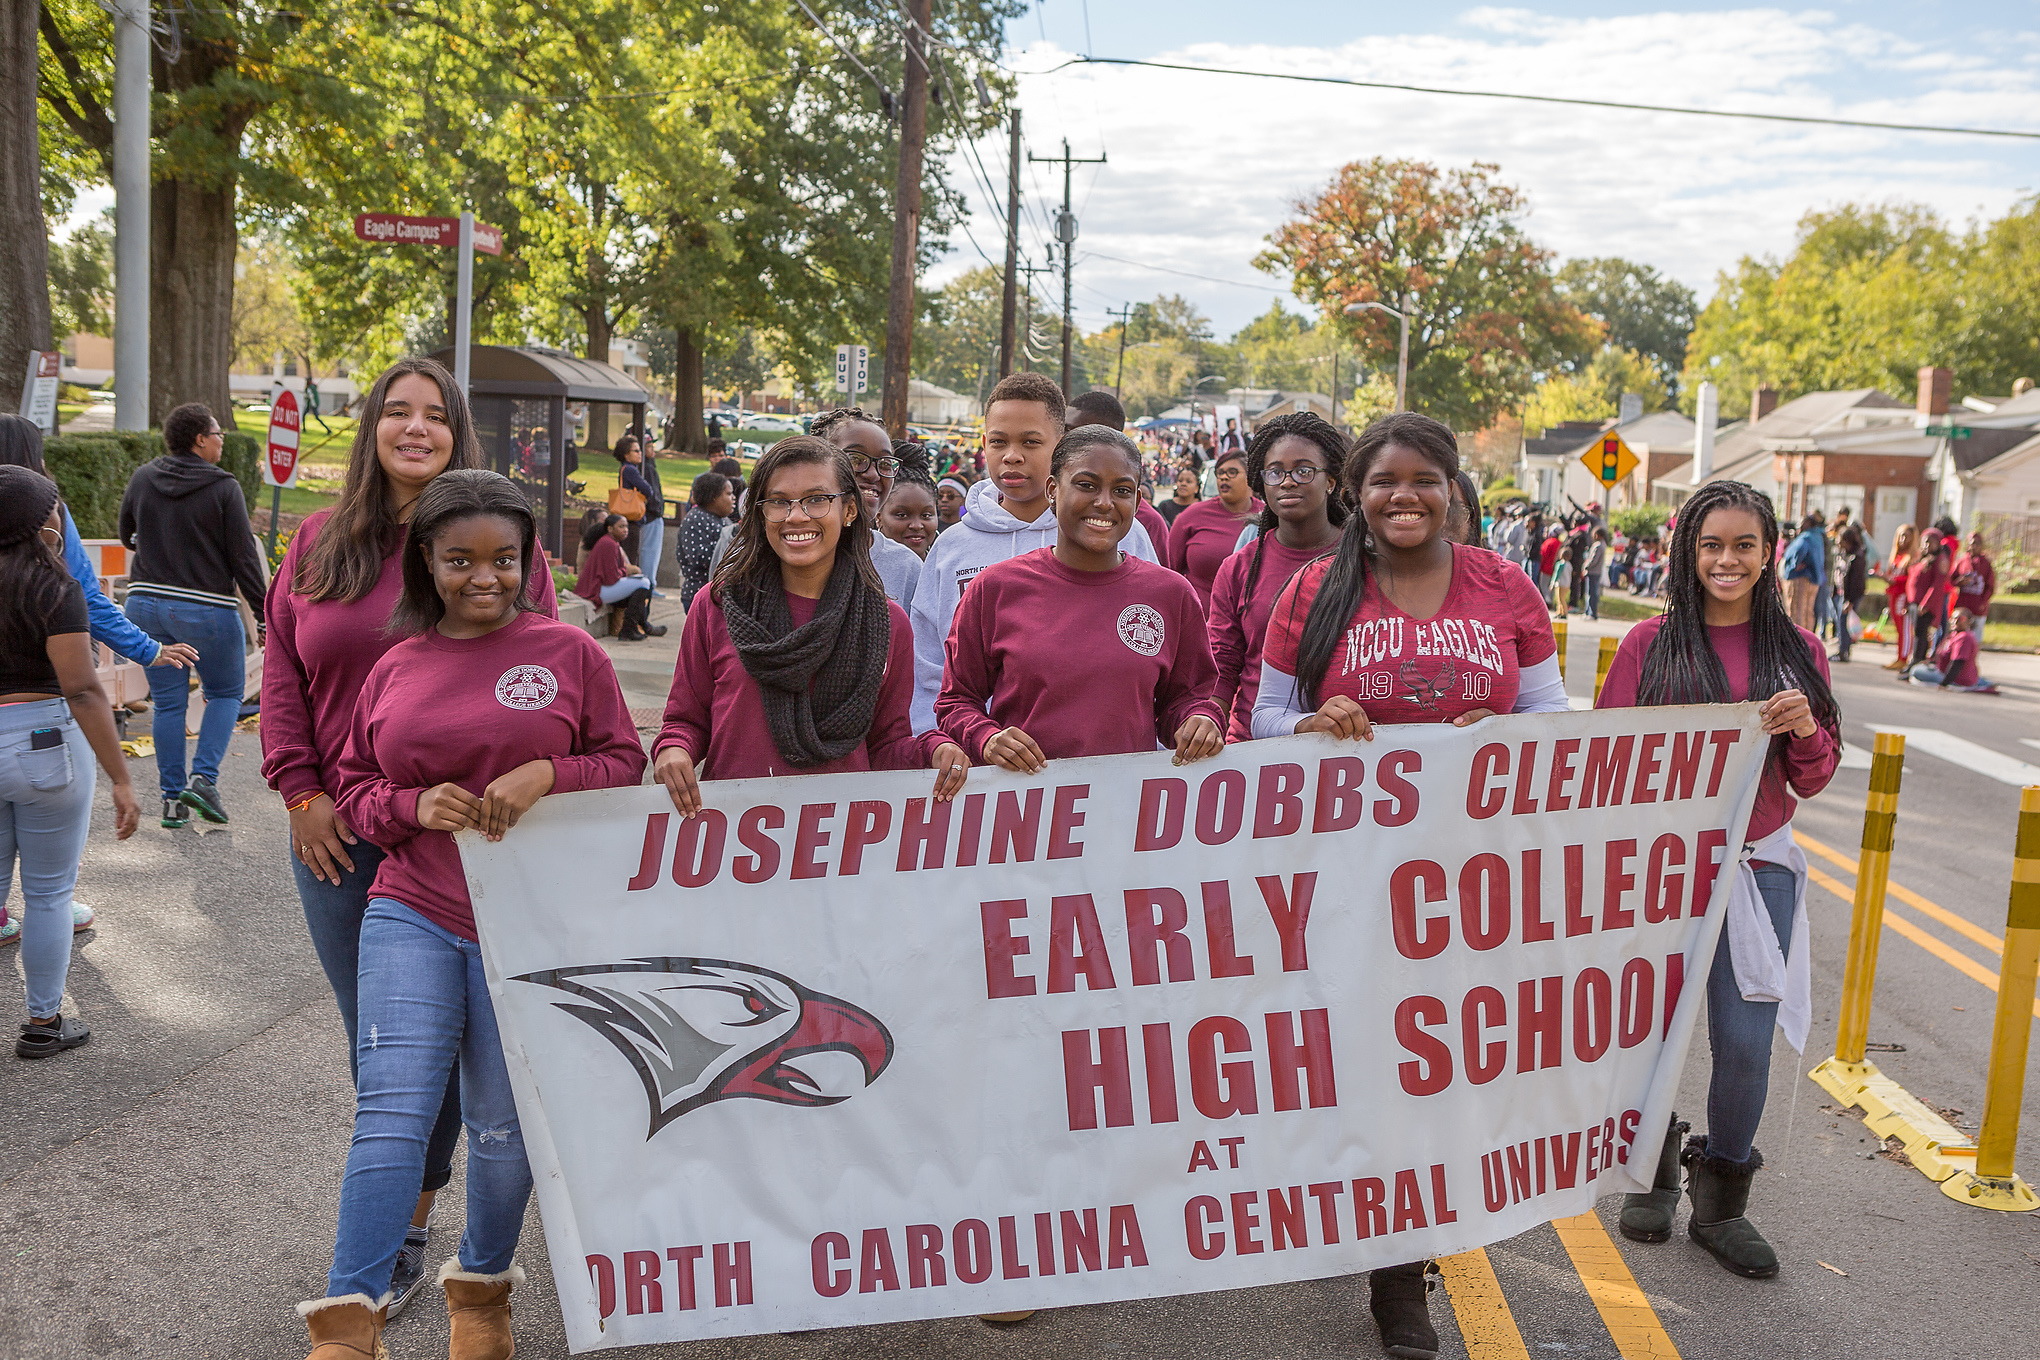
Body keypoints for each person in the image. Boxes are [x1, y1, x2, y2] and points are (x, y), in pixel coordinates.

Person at [300, 470, 645, 1359]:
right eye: (459, 560)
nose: (482, 577)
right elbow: (356, 786)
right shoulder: (395, 663)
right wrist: (410, 808)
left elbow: (621, 762)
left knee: (503, 1123)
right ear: (427, 560)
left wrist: (548, 775)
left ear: (528, 559)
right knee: (393, 1110)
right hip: (411, 908)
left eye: (502, 558)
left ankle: (481, 1295)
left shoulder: (571, 653)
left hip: (534, 924)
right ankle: (348, 1316)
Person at [1250, 411, 1567, 1360]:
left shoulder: (1506, 586)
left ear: (1452, 487)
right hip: (1348, 870)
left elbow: (1552, 711)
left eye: (1424, 479)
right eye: (1385, 481)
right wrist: (1311, 725)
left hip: (1469, 873)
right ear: (1359, 491)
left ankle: (1404, 1265)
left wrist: (1507, 737)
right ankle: (1373, 1241)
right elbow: (1262, 715)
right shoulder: (1313, 591)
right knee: (1361, 1062)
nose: (1404, 497)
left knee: (1438, 1066)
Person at [262, 357, 562, 1314]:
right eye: (398, 411)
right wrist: (300, 790)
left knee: (463, 1062)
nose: (416, 428)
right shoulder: (317, 545)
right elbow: (282, 675)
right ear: (372, 428)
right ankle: (398, 1223)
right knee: (388, 1051)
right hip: (344, 831)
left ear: (458, 433)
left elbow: (547, 674)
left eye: (436, 415)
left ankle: (406, 1233)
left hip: (469, 839)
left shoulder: (495, 540)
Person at [1596, 479, 1839, 1280]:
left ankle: (1722, 1198)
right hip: (1661, 870)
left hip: (1757, 866)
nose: (1727, 560)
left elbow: (1815, 777)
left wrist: (1803, 727)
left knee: (1743, 1045)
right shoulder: (1649, 646)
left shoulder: (1799, 651)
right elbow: (1602, 759)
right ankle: (1654, 1171)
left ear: (1770, 552)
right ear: (1687, 552)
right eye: (1712, 545)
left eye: (1743, 545)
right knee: (1651, 1035)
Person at [652, 436, 967, 806]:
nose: (796, 516)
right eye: (779, 502)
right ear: (759, 512)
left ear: (849, 510)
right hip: (733, 840)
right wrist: (674, 751)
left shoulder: (888, 623)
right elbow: (685, 722)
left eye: (817, 499)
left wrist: (934, 748)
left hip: (841, 841)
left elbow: (886, 745)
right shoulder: (718, 605)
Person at [0, 416, 197, 945]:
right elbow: (85, 601)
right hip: (45, 712)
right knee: (48, 876)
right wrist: (148, 649)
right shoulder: (49, 517)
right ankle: (45, 997)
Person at [936, 424, 1224, 770]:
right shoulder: (995, 588)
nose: (1104, 503)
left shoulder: (1170, 594)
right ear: (1053, 489)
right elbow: (956, 700)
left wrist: (1199, 722)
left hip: (1127, 808)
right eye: (1086, 485)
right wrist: (985, 737)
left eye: (1121, 490)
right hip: (1022, 806)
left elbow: (1187, 700)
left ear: (1137, 500)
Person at [909, 372, 1159, 732]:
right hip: (979, 763)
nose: (1012, 457)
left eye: (1030, 442)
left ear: (1062, 445)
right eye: (998, 442)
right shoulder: (952, 546)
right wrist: (936, 740)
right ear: (984, 444)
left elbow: (1152, 643)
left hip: (1101, 753)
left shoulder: (1118, 533)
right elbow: (929, 664)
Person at [0, 466, 139, 1057]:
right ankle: (42, 1023)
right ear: (42, 521)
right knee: (50, 893)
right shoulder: (55, 589)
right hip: (45, 745)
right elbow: (82, 690)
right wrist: (122, 778)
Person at [118, 402, 267, 829]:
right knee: (223, 693)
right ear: (200, 439)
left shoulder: (144, 477)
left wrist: (157, 546)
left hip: (144, 604)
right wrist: (263, 614)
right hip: (205, 610)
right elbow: (243, 558)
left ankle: (170, 801)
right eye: (218, 433)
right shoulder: (224, 487)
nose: (222, 439)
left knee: (167, 704)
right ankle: (203, 779)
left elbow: (125, 533)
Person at [1206, 412, 1346, 742]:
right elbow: (1223, 667)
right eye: (1275, 472)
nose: (1287, 481)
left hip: (1347, 744)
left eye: (1303, 470)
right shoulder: (1239, 568)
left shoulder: (1364, 558)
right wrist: (1207, 721)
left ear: (1330, 480)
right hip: (1256, 748)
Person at [809, 407, 924, 605]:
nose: (873, 474)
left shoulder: (907, 567)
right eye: (855, 459)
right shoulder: (793, 549)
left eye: (885, 463)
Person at [1070, 389, 1171, 549]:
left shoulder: (1147, 523)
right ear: (1052, 489)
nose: (1103, 504)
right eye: (1064, 430)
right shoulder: (1032, 501)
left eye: (1076, 434)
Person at [1167, 444, 1261, 607]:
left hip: (1249, 619)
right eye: (1220, 473)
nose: (1224, 478)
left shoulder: (1268, 516)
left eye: (1232, 472)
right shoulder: (1191, 516)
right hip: (1199, 618)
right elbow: (1170, 571)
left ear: (1250, 476)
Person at [576, 513, 663, 641]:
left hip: (600, 588)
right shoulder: (608, 543)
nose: (625, 530)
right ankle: (630, 629)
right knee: (644, 583)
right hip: (596, 591)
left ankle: (639, 626)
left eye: (626, 526)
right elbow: (612, 578)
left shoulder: (611, 542)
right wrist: (625, 572)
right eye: (621, 526)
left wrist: (624, 572)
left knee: (643, 586)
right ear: (610, 528)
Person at [614, 433, 667, 598]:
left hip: (633, 519)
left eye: (639, 450)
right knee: (634, 555)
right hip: (633, 519)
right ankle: (638, 592)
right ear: (626, 454)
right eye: (636, 451)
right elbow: (647, 489)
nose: (640, 454)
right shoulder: (630, 469)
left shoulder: (627, 469)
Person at [678, 471, 735, 606]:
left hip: (721, 595)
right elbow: (697, 556)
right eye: (728, 494)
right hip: (699, 595)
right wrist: (727, 547)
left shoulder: (724, 520)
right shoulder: (695, 519)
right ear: (713, 497)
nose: (733, 498)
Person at [1910, 607, 1995, 692]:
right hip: (1958, 674)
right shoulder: (1954, 635)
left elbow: (1957, 663)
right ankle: (1981, 683)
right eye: (1952, 618)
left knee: (1916, 670)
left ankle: (1965, 684)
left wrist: (1944, 683)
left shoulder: (1964, 638)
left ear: (1969, 621)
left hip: (1955, 678)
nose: (1955, 621)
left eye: (1960, 619)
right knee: (1924, 667)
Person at [880, 453, 941, 558]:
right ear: (879, 517)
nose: (917, 526)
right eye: (902, 515)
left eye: (926, 515)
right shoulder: (860, 569)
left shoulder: (948, 567)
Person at [1905, 530, 1951, 668]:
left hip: (1925, 606)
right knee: (1917, 633)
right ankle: (1915, 661)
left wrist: (1926, 604)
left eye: (1931, 542)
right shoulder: (1923, 558)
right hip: (1914, 603)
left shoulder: (1940, 560)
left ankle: (1917, 662)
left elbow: (1937, 585)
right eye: (1925, 542)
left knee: (1921, 634)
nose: (1927, 545)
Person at [1881, 523, 1918, 671]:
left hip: (1904, 596)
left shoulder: (1913, 557)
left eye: (1907, 536)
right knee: (1898, 628)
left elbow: (1911, 578)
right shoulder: (1896, 555)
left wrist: (1893, 580)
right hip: (1894, 595)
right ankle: (1899, 656)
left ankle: (1904, 658)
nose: (1903, 539)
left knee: (1905, 629)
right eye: (1901, 536)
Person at [1780, 513, 1825, 631]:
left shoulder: (1805, 538)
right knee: (1808, 610)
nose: (1799, 526)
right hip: (1815, 579)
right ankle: (1808, 638)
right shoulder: (1818, 537)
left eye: (1801, 523)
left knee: (1796, 609)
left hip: (1800, 577)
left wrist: (1794, 566)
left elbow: (1799, 551)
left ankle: (1796, 637)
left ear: (1807, 524)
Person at [1952, 531, 1995, 646]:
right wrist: (1959, 582)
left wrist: (1983, 602)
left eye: (1977, 544)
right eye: (1972, 543)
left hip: (1978, 606)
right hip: (1963, 604)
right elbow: (1951, 580)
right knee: (1959, 635)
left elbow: (1990, 586)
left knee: (1975, 636)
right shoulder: (1961, 561)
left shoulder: (1986, 564)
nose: (1974, 547)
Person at [1833, 524, 1867, 662]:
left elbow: (1856, 582)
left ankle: (1844, 652)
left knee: (1844, 623)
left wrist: (1850, 601)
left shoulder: (1857, 557)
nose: (1838, 543)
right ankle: (1842, 649)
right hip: (1840, 593)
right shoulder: (1842, 554)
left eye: (1840, 540)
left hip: (1850, 596)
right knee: (1840, 622)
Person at [1584, 527, 1608, 620]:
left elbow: (1594, 560)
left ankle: (1592, 613)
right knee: (1591, 592)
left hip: (1593, 571)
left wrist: (1586, 566)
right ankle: (1588, 611)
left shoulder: (1598, 545)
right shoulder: (1602, 545)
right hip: (1596, 571)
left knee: (1591, 593)